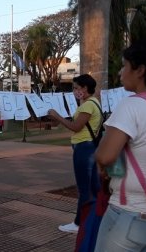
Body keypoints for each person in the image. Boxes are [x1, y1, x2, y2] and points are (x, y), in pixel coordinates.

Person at [94, 39, 146, 251]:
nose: (120, 72)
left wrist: (102, 163)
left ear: (140, 70)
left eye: (125, 65)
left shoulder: (132, 105)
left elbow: (106, 156)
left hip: (129, 214)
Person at [48, 74, 102, 234]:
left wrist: (58, 116)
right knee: (94, 187)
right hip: (90, 147)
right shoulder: (94, 102)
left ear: (85, 88)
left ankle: (79, 223)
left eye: (76, 88)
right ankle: (97, 217)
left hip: (84, 149)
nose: (74, 91)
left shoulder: (87, 106)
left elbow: (76, 127)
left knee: (85, 188)